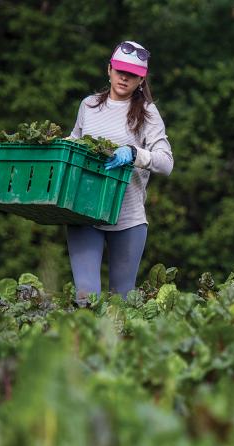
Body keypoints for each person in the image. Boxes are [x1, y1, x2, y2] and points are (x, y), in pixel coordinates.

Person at [66, 40, 173, 300]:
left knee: (121, 300)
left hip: (128, 218)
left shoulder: (147, 113)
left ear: (141, 80)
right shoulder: (89, 106)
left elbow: (166, 162)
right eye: (120, 70)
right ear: (109, 69)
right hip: (85, 211)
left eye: (132, 74)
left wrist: (134, 154)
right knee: (86, 296)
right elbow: (71, 144)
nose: (124, 77)